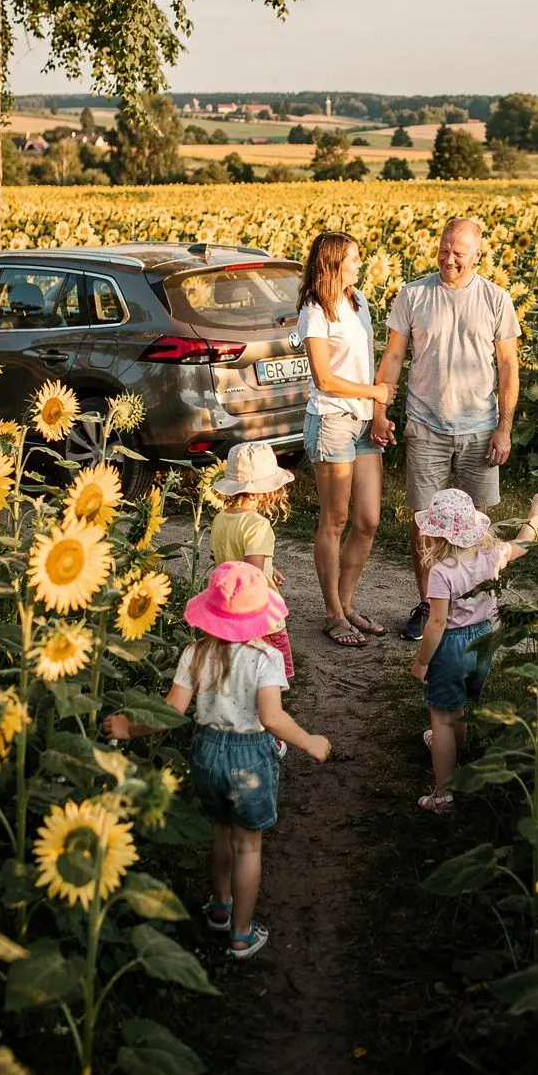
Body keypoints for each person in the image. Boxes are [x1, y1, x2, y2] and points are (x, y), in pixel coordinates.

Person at [104, 561, 331, 956]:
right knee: (248, 846)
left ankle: (220, 906)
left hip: (207, 753)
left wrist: (128, 727)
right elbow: (271, 718)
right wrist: (308, 741)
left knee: (222, 832)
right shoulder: (266, 658)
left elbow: (171, 711)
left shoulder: (196, 653)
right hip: (250, 758)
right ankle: (241, 934)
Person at [372, 217, 520, 641]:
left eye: (458, 253)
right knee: (424, 521)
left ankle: (473, 604)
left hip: (480, 426)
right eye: (443, 250)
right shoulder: (414, 294)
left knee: (479, 523)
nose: (448, 259)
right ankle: (429, 603)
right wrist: (380, 410)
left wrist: (504, 428)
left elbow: (509, 367)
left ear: (478, 255)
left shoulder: (495, 299)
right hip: (426, 423)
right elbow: (394, 356)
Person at [410, 488, 538, 812]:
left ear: (436, 535)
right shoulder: (492, 554)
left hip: (452, 647)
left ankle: (444, 795)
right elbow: (526, 541)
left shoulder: (442, 571)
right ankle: (454, 753)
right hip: (484, 643)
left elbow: (437, 623)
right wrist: (536, 511)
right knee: (460, 708)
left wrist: (422, 662)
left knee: (442, 719)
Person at [298, 230, 395, 647]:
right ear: (334, 263)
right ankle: (333, 613)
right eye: (354, 258)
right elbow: (323, 378)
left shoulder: (359, 301)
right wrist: (375, 393)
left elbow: (367, 363)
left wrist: (378, 412)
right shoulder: (314, 309)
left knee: (368, 520)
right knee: (334, 521)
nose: (360, 264)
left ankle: (347, 602)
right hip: (332, 420)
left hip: (363, 422)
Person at [211, 440, 296, 685]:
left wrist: (270, 567)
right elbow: (253, 575)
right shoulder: (258, 525)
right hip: (262, 616)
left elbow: (232, 556)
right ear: (266, 490)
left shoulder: (221, 519)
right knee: (275, 674)